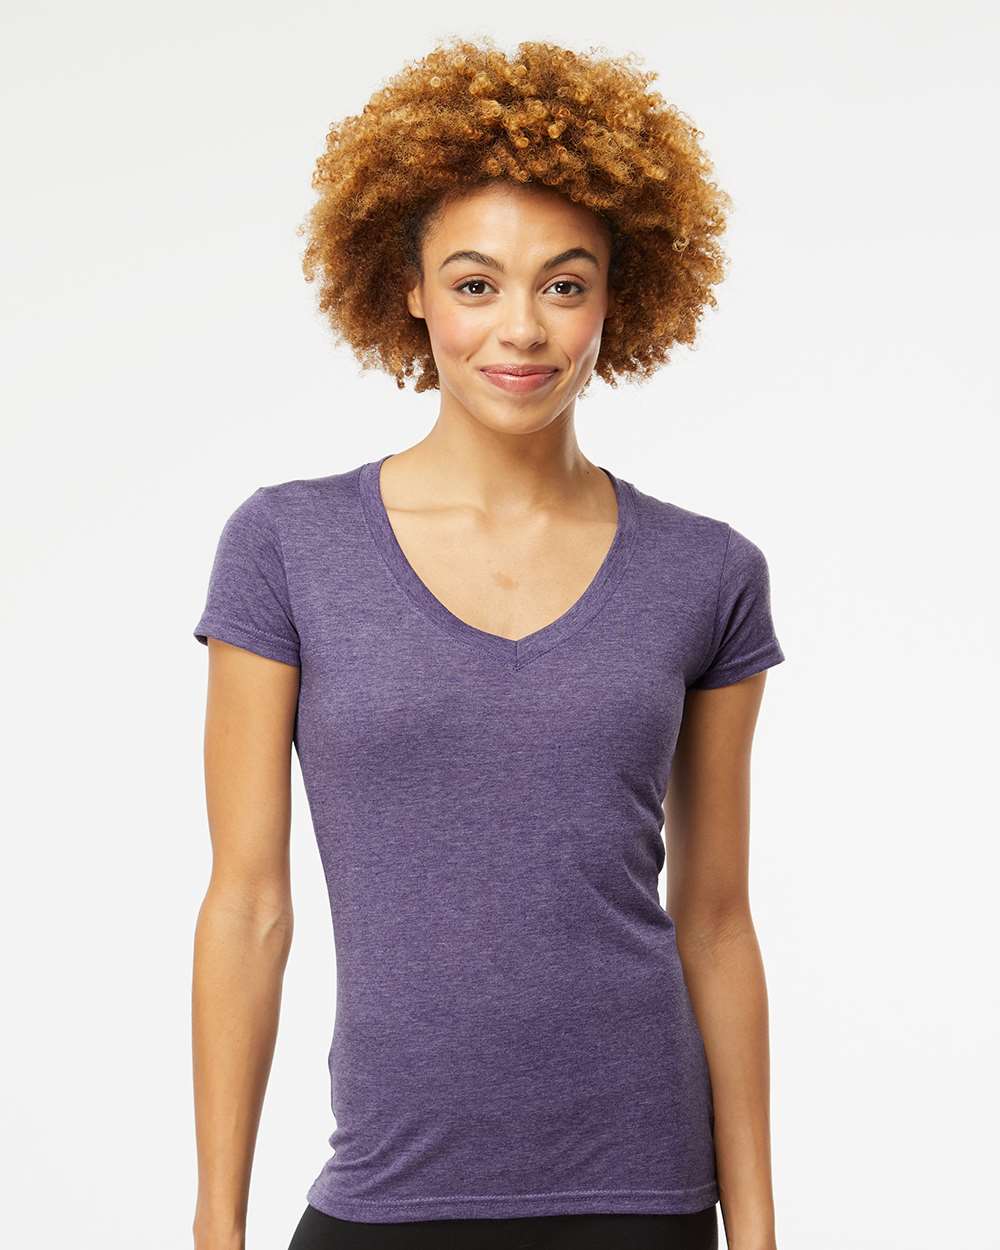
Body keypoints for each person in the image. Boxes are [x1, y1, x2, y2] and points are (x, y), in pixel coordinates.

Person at [191, 36, 786, 1250]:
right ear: (409, 288)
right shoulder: (288, 546)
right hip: (388, 1184)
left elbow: (717, 918)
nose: (521, 329)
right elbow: (248, 904)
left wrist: (759, 1226)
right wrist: (216, 1223)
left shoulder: (706, 572)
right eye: (475, 284)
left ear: (618, 296)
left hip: (643, 1192)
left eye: (564, 285)